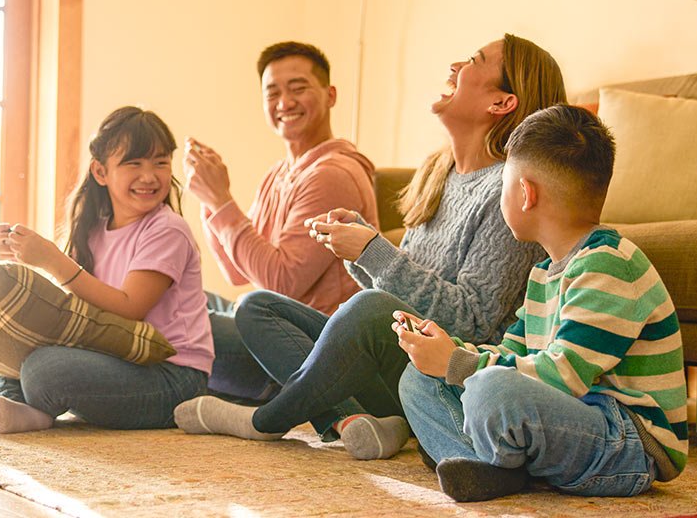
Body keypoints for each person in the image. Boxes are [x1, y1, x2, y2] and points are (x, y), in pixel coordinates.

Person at [174, 34, 563, 461]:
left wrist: (373, 250)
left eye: (473, 60)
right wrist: (357, 251)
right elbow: (400, 286)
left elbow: (473, 321)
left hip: (440, 378)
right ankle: (354, 420)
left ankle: (264, 421)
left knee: (369, 307)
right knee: (256, 306)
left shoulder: (505, 193)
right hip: (391, 359)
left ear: (502, 103)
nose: (455, 66)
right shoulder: (439, 173)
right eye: (273, 91)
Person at [397, 105, 687, 502]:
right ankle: (486, 465)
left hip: (628, 442)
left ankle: (481, 458)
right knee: (418, 379)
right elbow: (512, 352)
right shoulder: (543, 274)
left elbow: (563, 375)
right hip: (570, 423)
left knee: (492, 390)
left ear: (525, 193)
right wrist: (448, 350)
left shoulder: (609, 265)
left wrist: (458, 364)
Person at [0, 106, 213, 434]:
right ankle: (20, 406)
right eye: (134, 164)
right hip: (117, 358)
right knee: (2, 333)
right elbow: (70, 303)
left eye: (160, 162)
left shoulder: (167, 229)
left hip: (173, 379)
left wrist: (54, 261)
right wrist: (20, 261)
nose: (149, 176)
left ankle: (30, 405)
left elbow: (131, 308)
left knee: (46, 370)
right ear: (101, 172)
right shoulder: (93, 230)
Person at [186, 41, 378, 400]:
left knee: (177, 322)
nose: (284, 103)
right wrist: (210, 204)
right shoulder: (280, 173)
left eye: (298, 88)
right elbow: (239, 272)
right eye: (272, 92)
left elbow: (282, 281)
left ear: (330, 94)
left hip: (305, 342)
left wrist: (222, 200)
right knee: (177, 300)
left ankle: (269, 393)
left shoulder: (332, 175)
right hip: (270, 321)